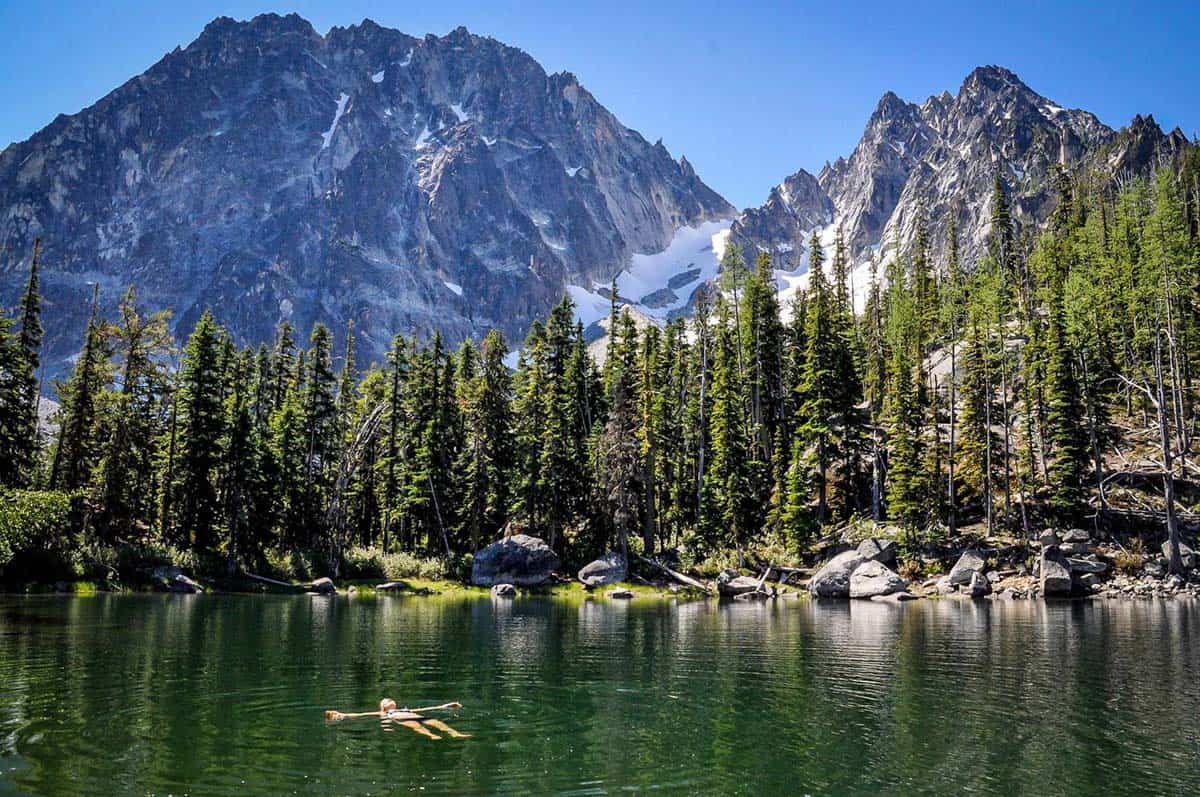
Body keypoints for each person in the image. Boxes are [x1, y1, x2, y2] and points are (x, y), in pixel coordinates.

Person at [325, 699, 470, 740]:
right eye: (386, 701)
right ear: (383, 707)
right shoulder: (382, 713)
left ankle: (455, 733)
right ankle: (431, 735)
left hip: (415, 716)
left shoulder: (406, 709)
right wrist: (340, 714)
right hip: (402, 719)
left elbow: (425, 709)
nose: (389, 700)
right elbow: (361, 715)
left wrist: (445, 706)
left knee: (438, 723)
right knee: (417, 727)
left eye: (390, 699)